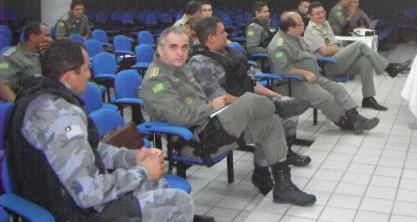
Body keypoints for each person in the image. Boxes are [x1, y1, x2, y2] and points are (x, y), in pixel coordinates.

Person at [5, 39, 207, 222]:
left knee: (154, 181)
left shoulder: (39, 97)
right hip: (74, 212)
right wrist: (143, 172)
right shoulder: (61, 116)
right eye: (85, 69)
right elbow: (88, 193)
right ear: (69, 76)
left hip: (63, 197)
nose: (90, 74)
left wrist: (133, 157)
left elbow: (87, 149)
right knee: (179, 202)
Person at [139, 27, 316, 206]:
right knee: (249, 102)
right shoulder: (156, 81)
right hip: (194, 141)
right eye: (173, 47)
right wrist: (212, 106)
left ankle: (283, 187)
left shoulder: (180, 68)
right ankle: (277, 106)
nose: (180, 52)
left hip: (210, 126)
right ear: (160, 49)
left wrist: (215, 106)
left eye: (184, 47)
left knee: (270, 122)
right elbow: (179, 116)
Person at [186, 17, 312, 195]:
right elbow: (220, 98)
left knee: (283, 116)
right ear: (211, 37)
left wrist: (275, 95)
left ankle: (267, 168)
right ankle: (273, 112)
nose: (227, 34)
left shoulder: (227, 53)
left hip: (248, 104)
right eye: (222, 32)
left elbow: (249, 83)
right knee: (271, 114)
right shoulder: (199, 63)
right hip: (224, 117)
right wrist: (254, 105)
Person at [268, 11, 380, 134]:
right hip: (292, 82)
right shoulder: (278, 44)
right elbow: (283, 70)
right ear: (291, 28)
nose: (303, 25)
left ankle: (356, 118)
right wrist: (305, 73)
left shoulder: (296, 38)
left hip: (312, 77)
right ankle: (345, 123)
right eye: (300, 23)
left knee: (338, 89)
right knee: (325, 97)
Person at [303, 2, 410, 111]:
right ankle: (390, 68)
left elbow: (334, 44)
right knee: (359, 45)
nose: (321, 15)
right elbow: (324, 51)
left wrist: (335, 48)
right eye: (317, 14)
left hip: (336, 59)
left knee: (365, 61)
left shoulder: (325, 24)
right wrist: (337, 48)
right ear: (310, 16)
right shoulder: (312, 30)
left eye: (322, 12)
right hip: (326, 65)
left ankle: (368, 99)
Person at [0, 21, 51, 102]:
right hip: (26, 103)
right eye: (47, 36)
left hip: (45, 99)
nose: (50, 39)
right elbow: (2, 86)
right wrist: (19, 108)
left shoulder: (43, 53)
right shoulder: (12, 57)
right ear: (33, 38)